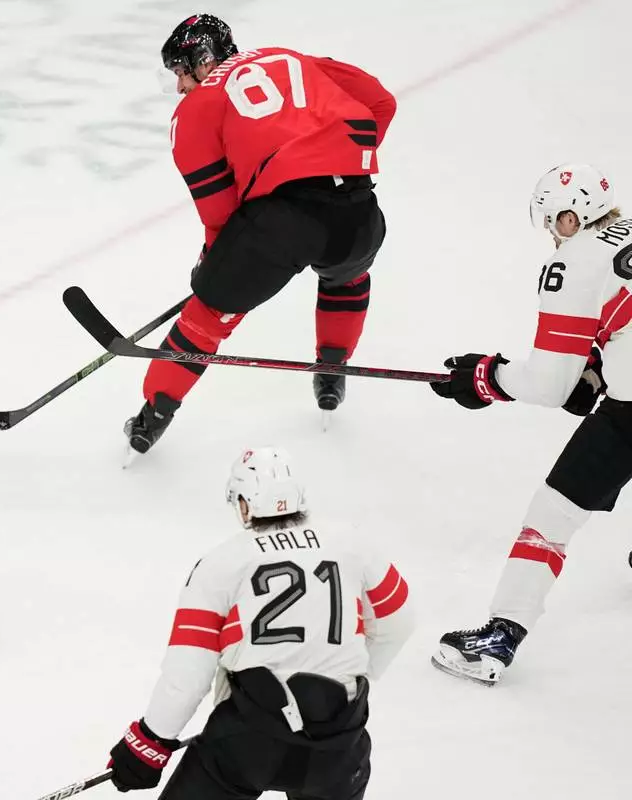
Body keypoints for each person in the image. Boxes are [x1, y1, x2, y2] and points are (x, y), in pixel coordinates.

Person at [127, 14, 397, 455]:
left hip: (283, 224)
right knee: (346, 277)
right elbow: (381, 102)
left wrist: (211, 267)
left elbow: (220, 214)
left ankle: (153, 413)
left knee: (209, 314)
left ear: (203, 58)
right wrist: (346, 159)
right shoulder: (290, 58)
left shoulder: (193, 111)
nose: (178, 87)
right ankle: (332, 370)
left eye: (179, 72)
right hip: (360, 213)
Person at [106, 448, 413, 798]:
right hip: (339, 744)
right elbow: (400, 620)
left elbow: (188, 673)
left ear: (245, 503)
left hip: (246, 743)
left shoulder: (221, 564)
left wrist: (149, 742)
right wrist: (345, 674)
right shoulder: (353, 545)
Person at [430, 163, 626, 684]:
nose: (552, 236)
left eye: (551, 224)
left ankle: (498, 639)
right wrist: (601, 363)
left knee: (550, 519)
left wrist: (484, 378)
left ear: (568, 217)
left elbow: (548, 384)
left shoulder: (578, 259)